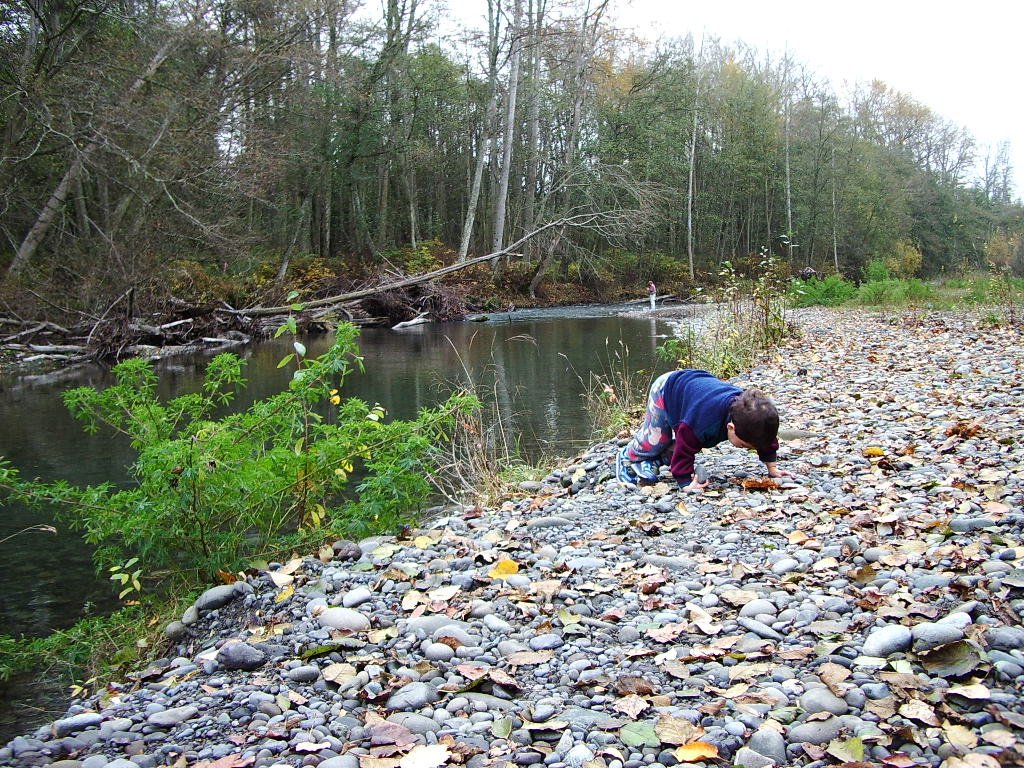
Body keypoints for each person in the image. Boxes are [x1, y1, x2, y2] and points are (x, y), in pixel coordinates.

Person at [616, 369, 792, 492]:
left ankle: (655, 459)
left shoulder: (754, 418)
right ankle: (627, 457)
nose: (745, 448)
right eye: (743, 445)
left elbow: (765, 438)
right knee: (656, 440)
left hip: (696, 388)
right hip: (667, 389)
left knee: (677, 445)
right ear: (731, 427)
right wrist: (685, 482)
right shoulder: (701, 423)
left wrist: (772, 468)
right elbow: (685, 447)